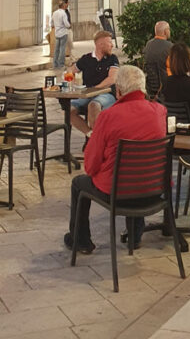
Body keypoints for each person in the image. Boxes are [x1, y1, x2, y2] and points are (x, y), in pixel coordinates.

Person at [64, 64, 166, 254]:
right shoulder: (160, 111)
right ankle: (135, 237)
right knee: (138, 170)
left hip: (118, 193)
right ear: (142, 88)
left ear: (118, 90)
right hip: (154, 190)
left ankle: (81, 241)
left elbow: (91, 164)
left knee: (79, 183)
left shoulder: (108, 117)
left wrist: (96, 172)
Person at [68, 31, 119, 139]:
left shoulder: (112, 59)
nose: (112, 45)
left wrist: (95, 89)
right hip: (87, 95)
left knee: (93, 105)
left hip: (106, 94)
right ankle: (92, 136)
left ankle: (97, 141)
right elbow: (70, 71)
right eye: (110, 42)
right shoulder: (86, 59)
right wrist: (71, 81)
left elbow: (112, 79)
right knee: (69, 109)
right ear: (100, 45)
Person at [52, 0, 71, 69]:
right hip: (63, 33)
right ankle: (61, 64)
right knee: (62, 49)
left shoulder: (54, 13)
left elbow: (52, 23)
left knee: (56, 49)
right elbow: (66, 24)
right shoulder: (63, 13)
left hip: (57, 33)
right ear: (63, 6)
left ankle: (55, 64)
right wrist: (69, 26)